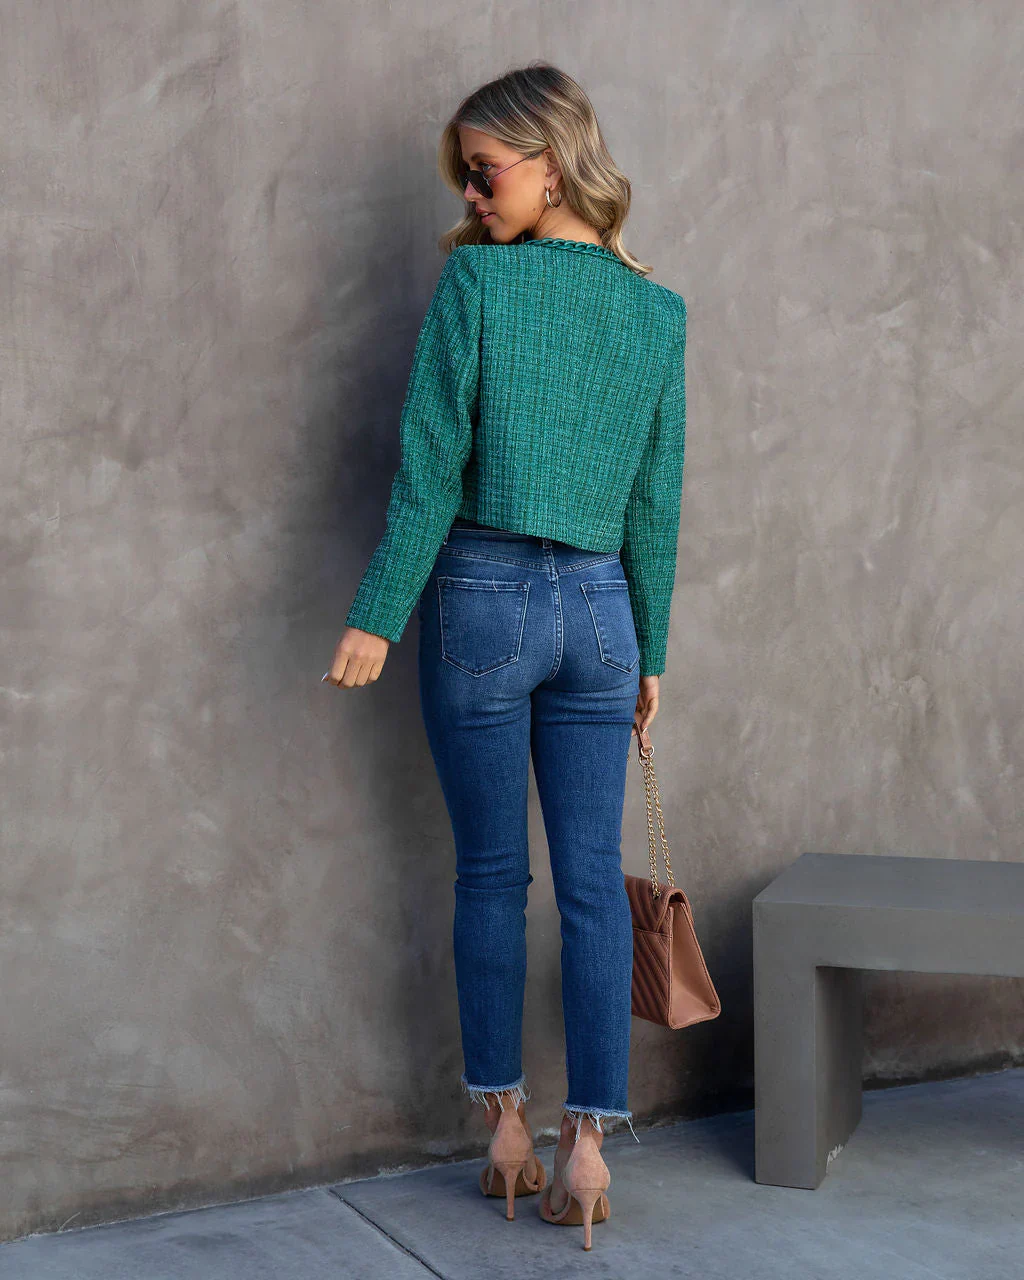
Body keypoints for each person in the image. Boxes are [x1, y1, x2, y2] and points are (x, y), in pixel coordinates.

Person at [323, 61, 687, 1252]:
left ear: (551, 162)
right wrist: (650, 651)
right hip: (602, 613)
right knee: (590, 884)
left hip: (481, 602)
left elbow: (430, 468)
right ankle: (589, 1147)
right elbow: (654, 503)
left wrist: (378, 614)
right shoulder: (657, 312)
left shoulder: (477, 285)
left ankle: (508, 1133)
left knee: (490, 877)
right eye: (464, 179)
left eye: (484, 173)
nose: (472, 197)